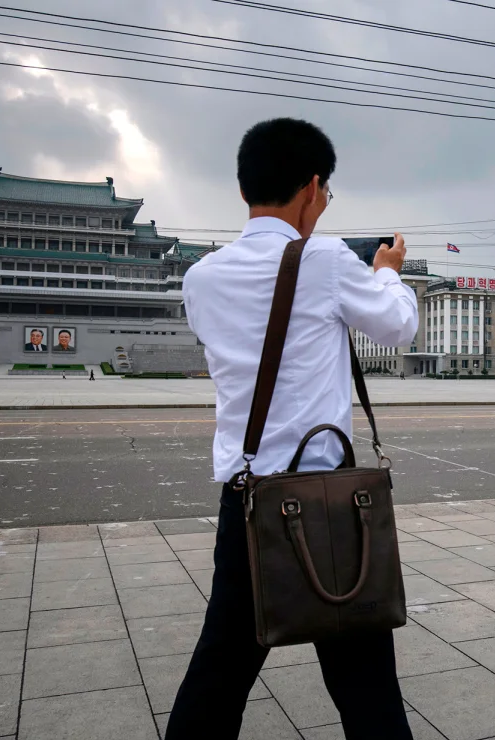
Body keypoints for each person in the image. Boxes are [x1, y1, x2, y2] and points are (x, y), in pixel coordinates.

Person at [165, 118, 418, 740]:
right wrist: (387, 270)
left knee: (220, 670)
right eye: (326, 192)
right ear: (312, 186)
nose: (325, 204)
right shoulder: (328, 259)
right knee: (365, 685)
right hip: (327, 503)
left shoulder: (201, 278)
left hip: (248, 500)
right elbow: (397, 328)